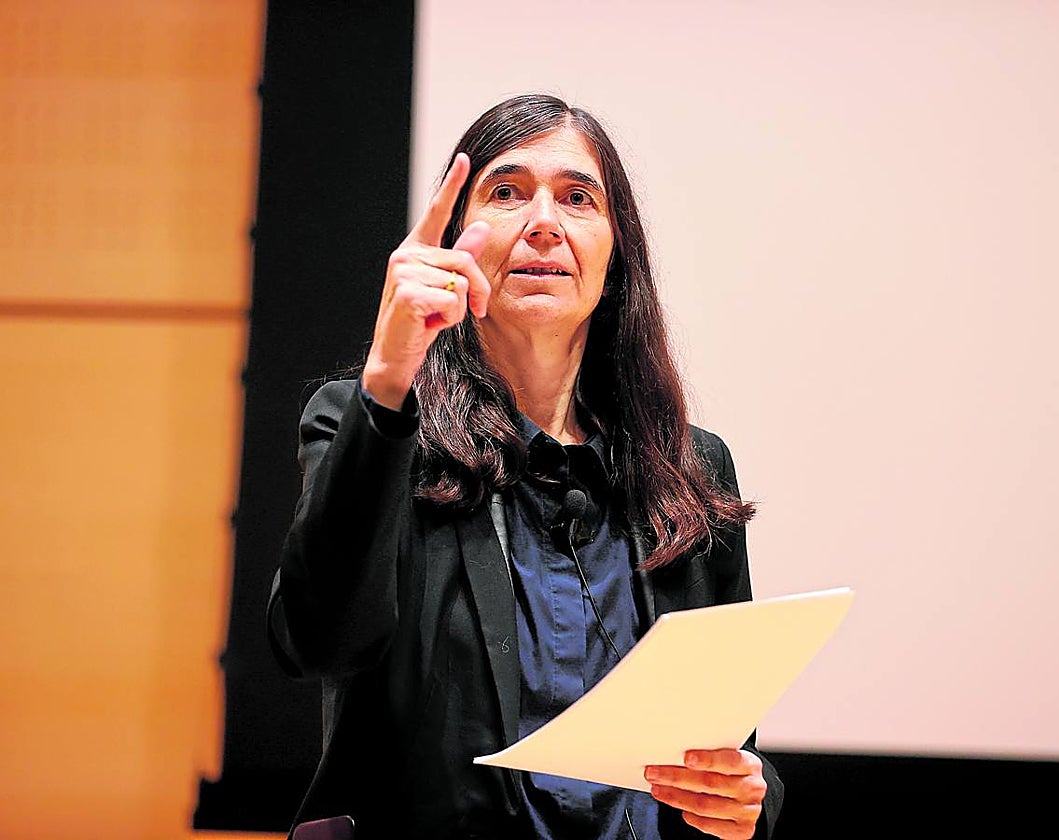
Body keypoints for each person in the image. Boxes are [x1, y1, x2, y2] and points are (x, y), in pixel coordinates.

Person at [268, 93, 783, 840]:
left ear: (616, 253)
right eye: (506, 193)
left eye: (578, 198)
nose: (544, 221)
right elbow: (317, 641)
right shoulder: (375, 427)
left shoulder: (689, 468)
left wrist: (745, 800)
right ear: (454, 243)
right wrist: (387, 381)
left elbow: (733, 762)